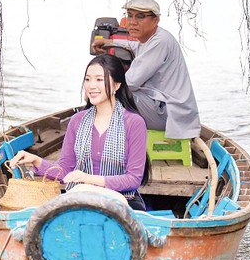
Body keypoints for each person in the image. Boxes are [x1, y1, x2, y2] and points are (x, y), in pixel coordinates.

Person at [8, 54, 150, 210]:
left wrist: (88, 179)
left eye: (99, 80)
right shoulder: (77, 121)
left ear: (116, 85)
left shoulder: (134, 122)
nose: (91, 86)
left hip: (124, 201)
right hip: (82, 198)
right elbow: (65, 172)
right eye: (87, 79)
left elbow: (133, 179)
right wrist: (36, 160)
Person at [92, 0, 200, 140]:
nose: (133, 22)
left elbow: (130, 82)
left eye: (141, 17)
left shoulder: (160, 42)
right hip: (161, 107)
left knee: (119, 92)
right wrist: (109, 42)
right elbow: (135, 46)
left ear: (155, 20)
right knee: (108, 90)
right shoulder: (150, 39)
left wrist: (96, 86)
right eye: (130, 15)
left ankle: (102, 136)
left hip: (169, 115)